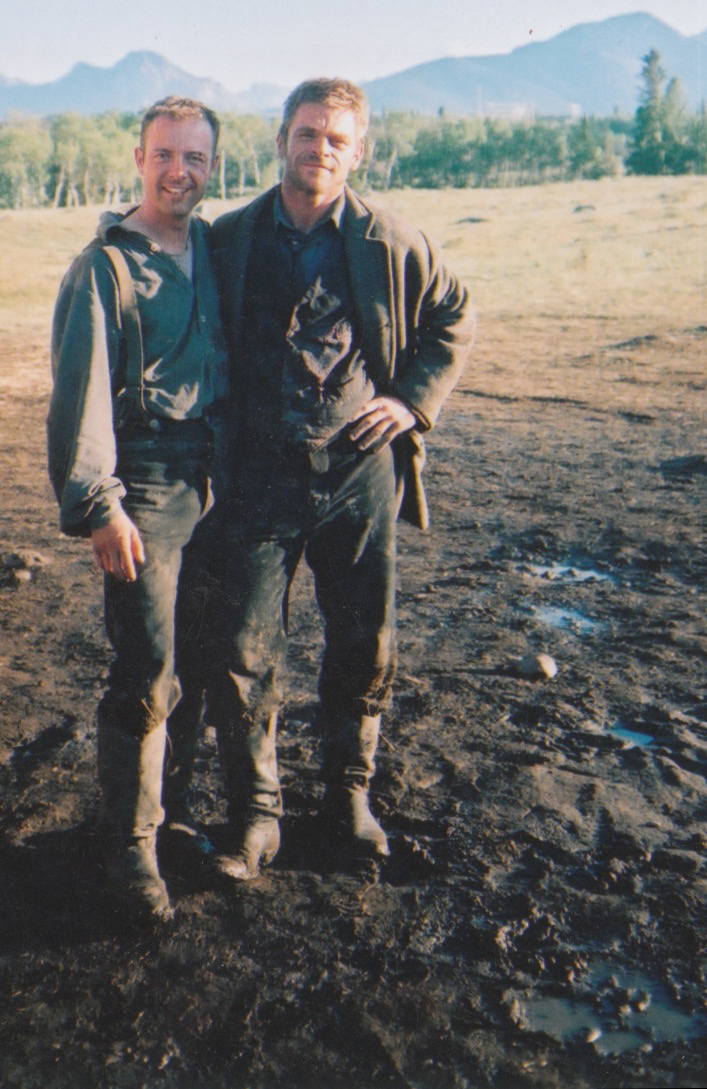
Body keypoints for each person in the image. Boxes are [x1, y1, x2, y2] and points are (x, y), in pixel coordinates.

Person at [206, 78, 475, 880]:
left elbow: (453, 316)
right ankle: (256, 815)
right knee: (245, 646)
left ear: (358, 152)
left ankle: (348, 800)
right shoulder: (230, 239)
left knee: (364, 638)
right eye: (306, 133)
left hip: (358, 475)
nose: (318, 149)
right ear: (281, 139)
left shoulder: (390, 240)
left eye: (336, 139)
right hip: (257, 476)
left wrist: (410, 401)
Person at [46, 97, 228, 922]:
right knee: (145, 666)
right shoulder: (103, 267)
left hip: (218, 480)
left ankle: (169, 815)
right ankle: (126, 846)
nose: (179, 171)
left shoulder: (215, 251)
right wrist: (99, 505)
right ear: (139, 157)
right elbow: (79, 398)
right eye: (165, 155)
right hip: (145, 482)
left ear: (212, 166)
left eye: (194, 157)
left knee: (197, 658)